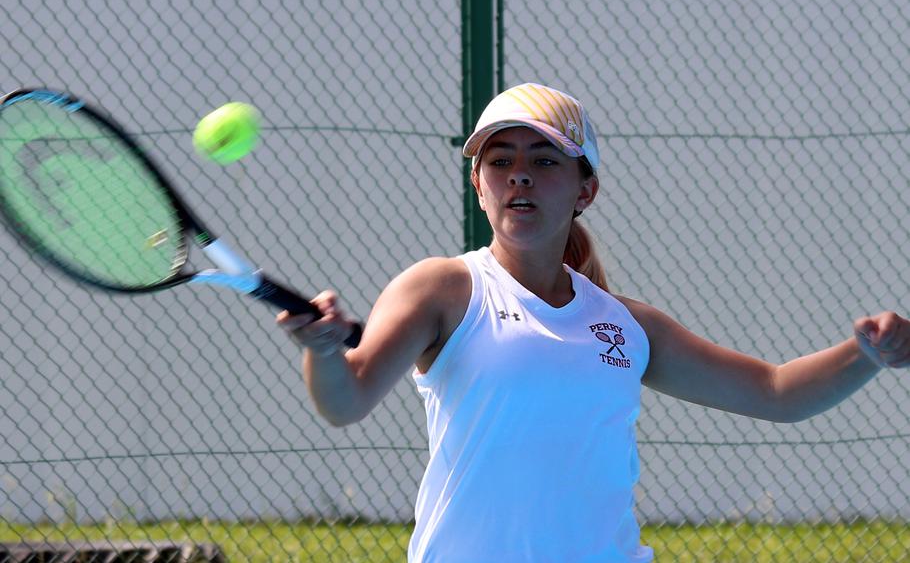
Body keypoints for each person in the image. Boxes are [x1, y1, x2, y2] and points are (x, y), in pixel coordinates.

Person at [277, 82, 910, 562]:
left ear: (586, 190)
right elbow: (347, 400)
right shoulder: (442, 287)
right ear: (479, 185)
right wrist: (324, 350)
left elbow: (777, 393)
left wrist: (869, 355)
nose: (519, 173)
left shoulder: (628, 326)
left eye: (546, 160)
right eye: (500, 160)